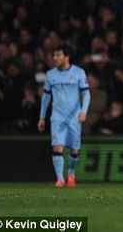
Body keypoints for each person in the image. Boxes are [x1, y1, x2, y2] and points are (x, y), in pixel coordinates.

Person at [38, 44, 91, 188]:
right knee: (57, 148)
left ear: (66, 57)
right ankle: (60, 179)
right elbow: (46, 97)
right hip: (57, 117)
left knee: (74, 150)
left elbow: (86, 93)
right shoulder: (50, 75)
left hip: (74, 117)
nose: (54, 58)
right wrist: (42, 117)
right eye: (54, 55)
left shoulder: (79, 73)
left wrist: (83, 111)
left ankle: (71, 173)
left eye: (58, 55)